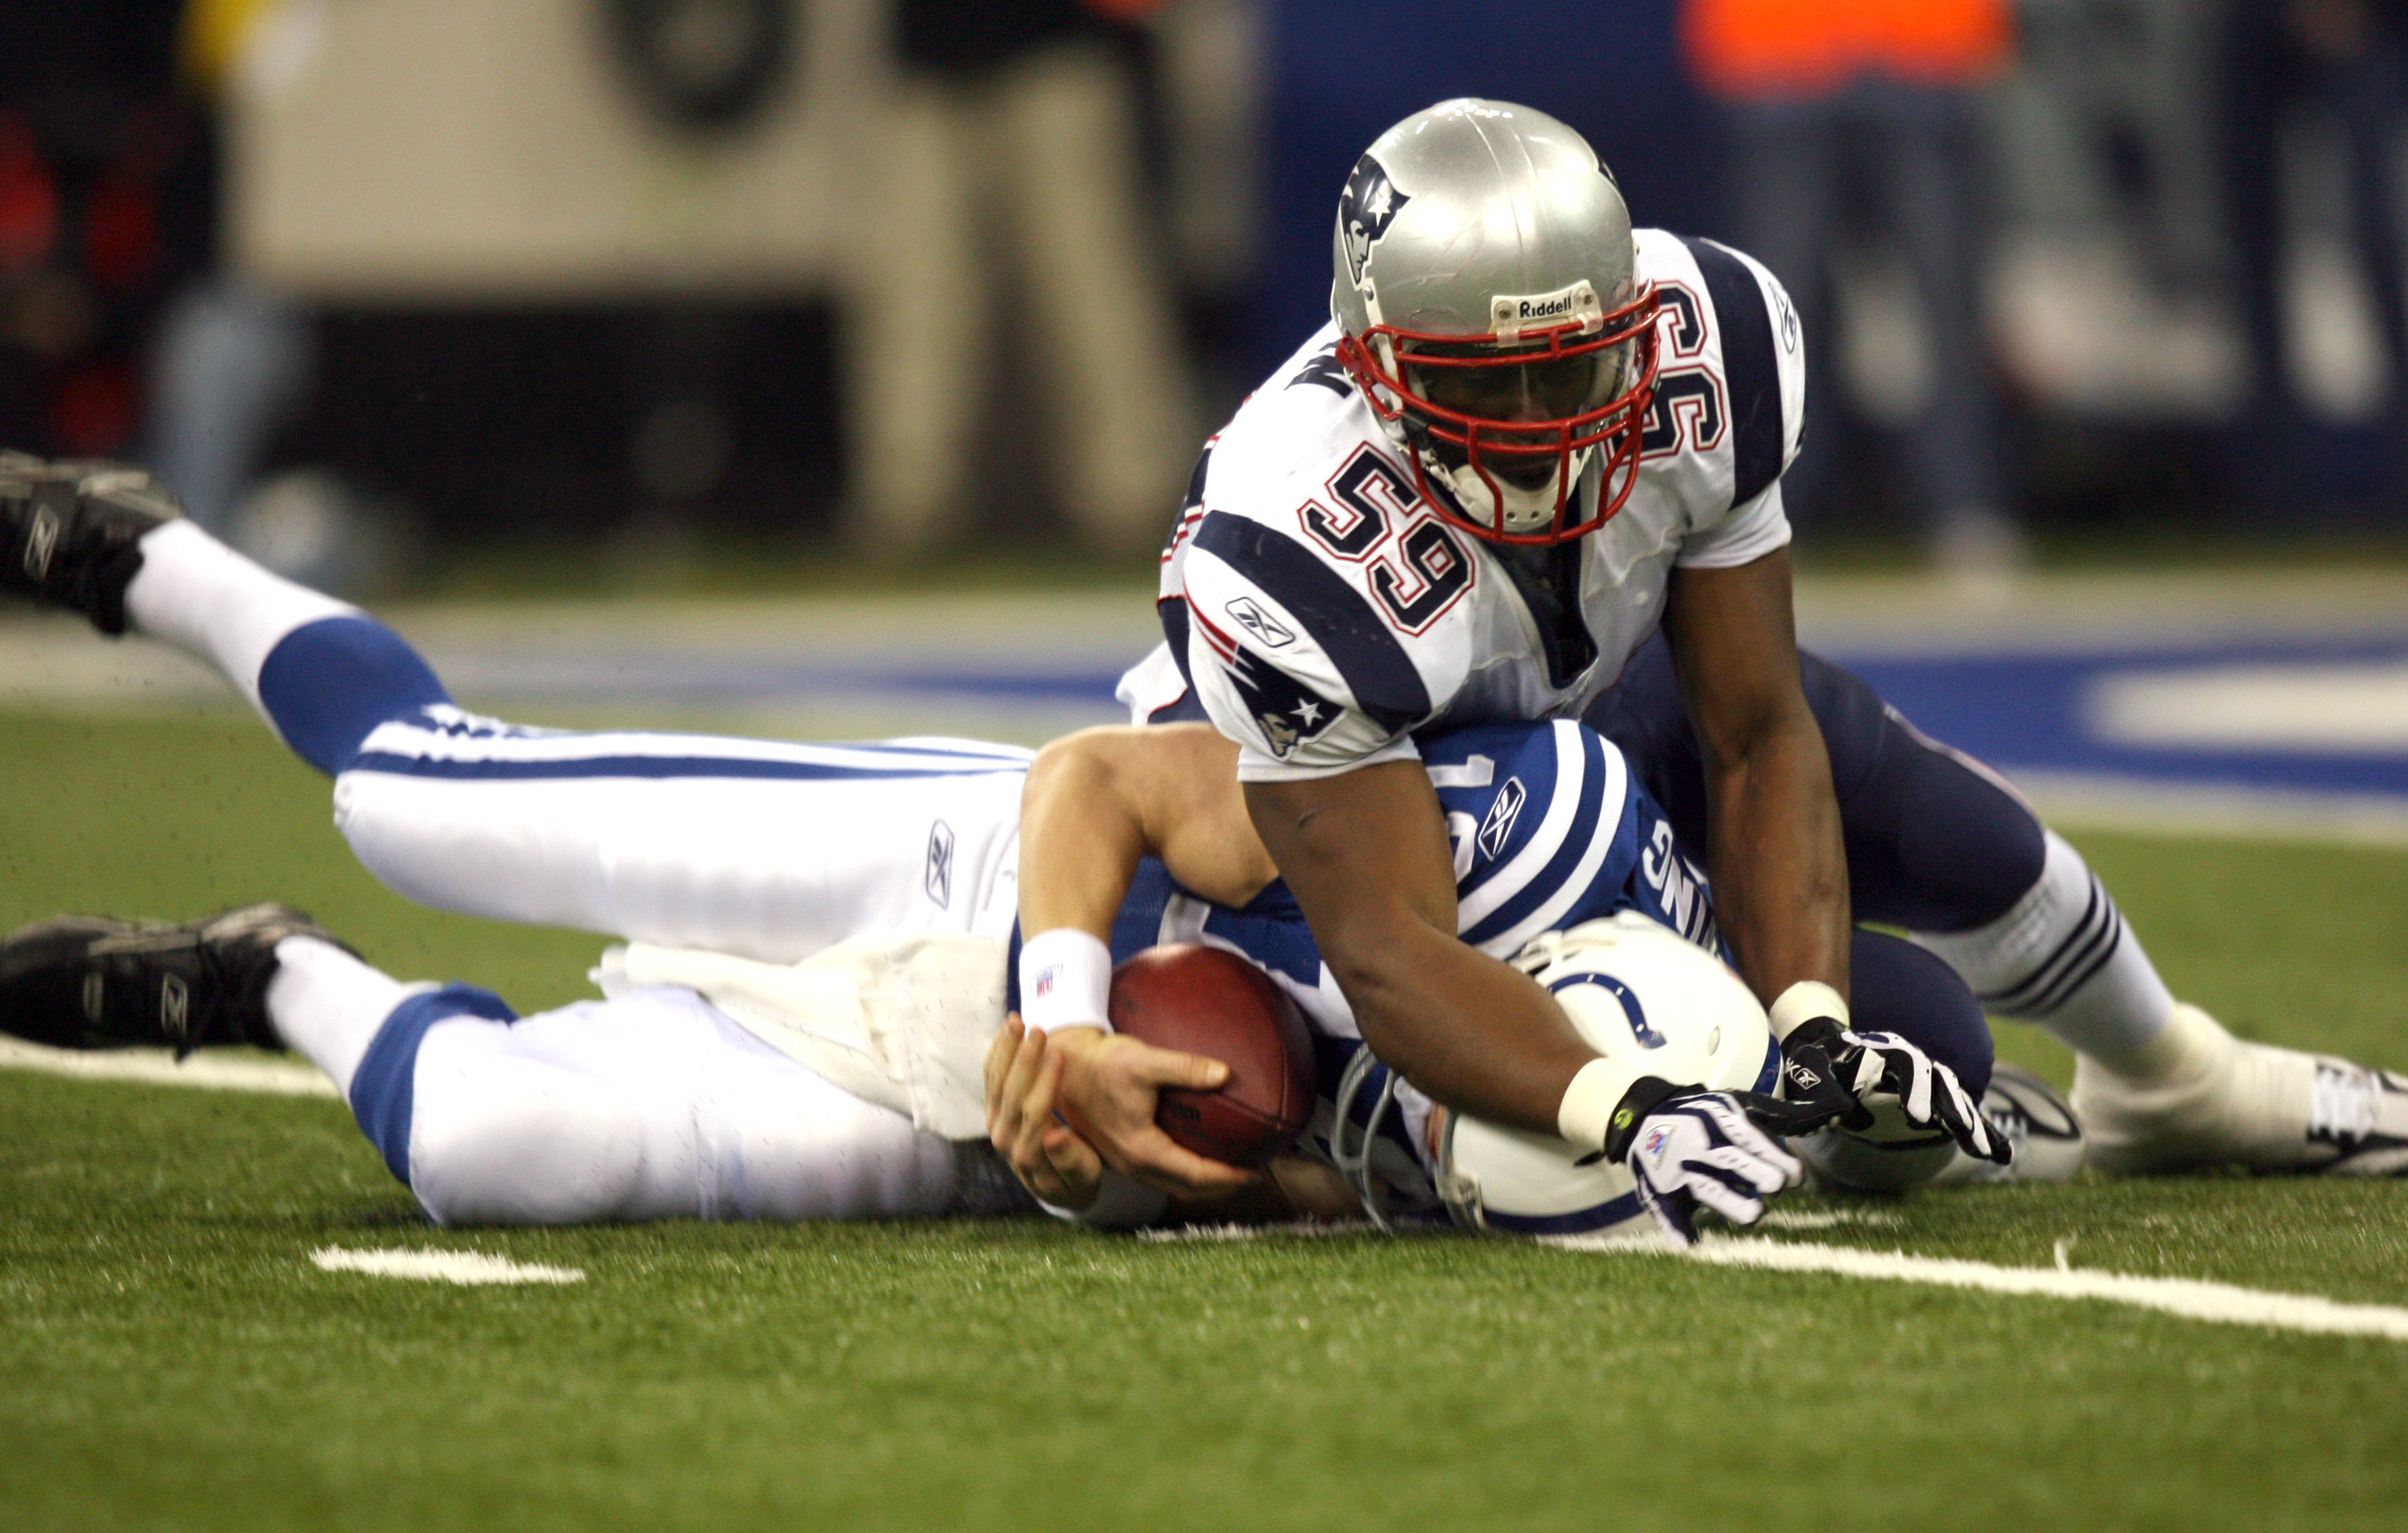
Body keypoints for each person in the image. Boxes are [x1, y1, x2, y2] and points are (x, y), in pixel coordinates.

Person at [1, 451, 1998, 1242]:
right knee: (417, 802)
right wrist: (1066, 1010)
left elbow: (1286, 1160)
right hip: (969, 877)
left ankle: (262, 972)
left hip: (970, 1109)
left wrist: (1128, 1154)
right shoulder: (1542, 816)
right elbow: (1103, 784)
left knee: (490, 1149)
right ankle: (145, 557)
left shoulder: (1632, 1161)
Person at [1019, 97, 2408, 1200]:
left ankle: (2175, 1070)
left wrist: (1810, 1028)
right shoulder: (1289, 542)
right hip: (1389, 846)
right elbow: (1390, 947)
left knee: (1846, 750)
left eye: (1571, 367)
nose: (1543, 425)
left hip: (1585, 740)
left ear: (1630, 322)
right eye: (1491, 383)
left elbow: (1755, 730)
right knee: (1931, 1039)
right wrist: (1624, 1107)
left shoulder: (1708, 348)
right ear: (1378, 371)